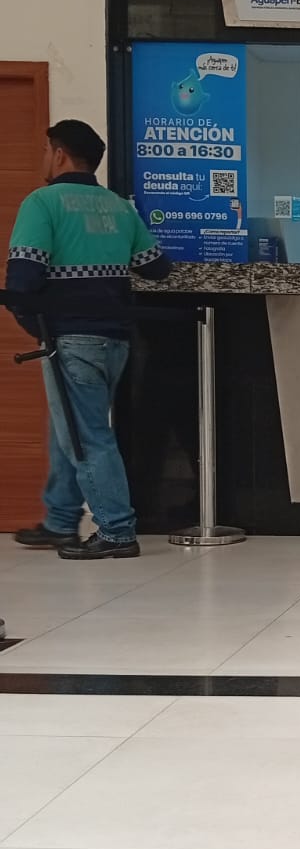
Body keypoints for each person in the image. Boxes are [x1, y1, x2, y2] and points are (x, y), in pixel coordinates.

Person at [5, 119, 171, 560]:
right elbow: (157, 267)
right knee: (72, 429)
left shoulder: (41, 203)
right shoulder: (118, 206)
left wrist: (38, 328)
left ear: (59, 154)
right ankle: (61, 521)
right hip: (116, 340)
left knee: (87, 437)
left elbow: (22, 280)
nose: (44, 159)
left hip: (70, 338)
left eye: (46, 151)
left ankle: (116, 530)